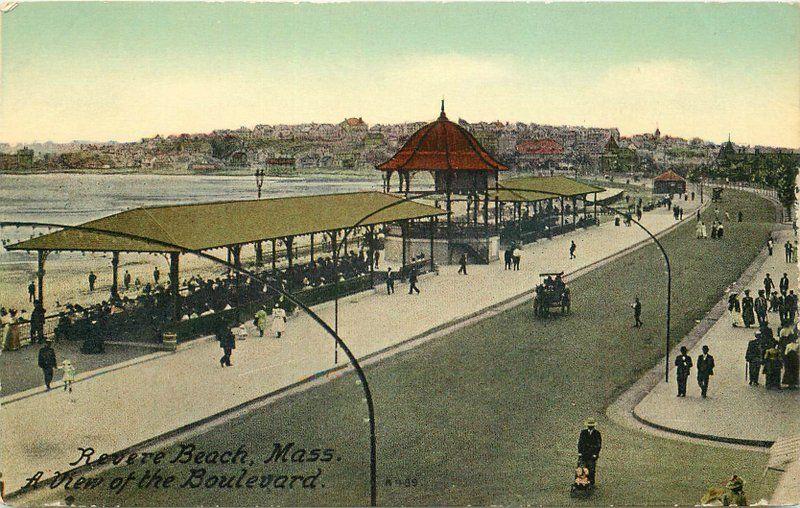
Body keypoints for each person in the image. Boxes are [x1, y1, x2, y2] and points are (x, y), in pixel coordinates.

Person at [577, 418, 602, 485]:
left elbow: (598, 445)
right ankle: (578, 482)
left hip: (592, 454)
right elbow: (580, 443)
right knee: (580, 468)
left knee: (591, 469)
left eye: (591, 426)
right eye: (589, 425)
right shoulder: (583, 432)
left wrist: (595, 454)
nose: (590, 427)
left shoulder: (597, 433)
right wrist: (580, 452)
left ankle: (591, 482)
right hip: (584, 453)